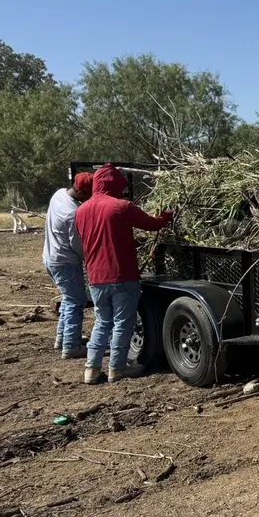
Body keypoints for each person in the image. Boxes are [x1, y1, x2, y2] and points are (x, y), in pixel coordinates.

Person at [75, 164, 173, 385]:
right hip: (121, 274)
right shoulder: (121, 206)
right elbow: (152, 224)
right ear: (116, 184)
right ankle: (117, 368)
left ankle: (91, 369)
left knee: (102, 321)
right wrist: (167, 215)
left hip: (95, 277)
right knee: (122, 323)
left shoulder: (81, 211)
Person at [43, 172, 94, 358]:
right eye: (89, 195)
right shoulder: (73, 214)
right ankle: (72, 346)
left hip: (50, 257)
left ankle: (62, 339)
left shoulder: (59, 194)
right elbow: (78, 245)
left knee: (67, 298)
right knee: (75, 302)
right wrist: (91, 259)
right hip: (65, 262)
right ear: (81, 193)